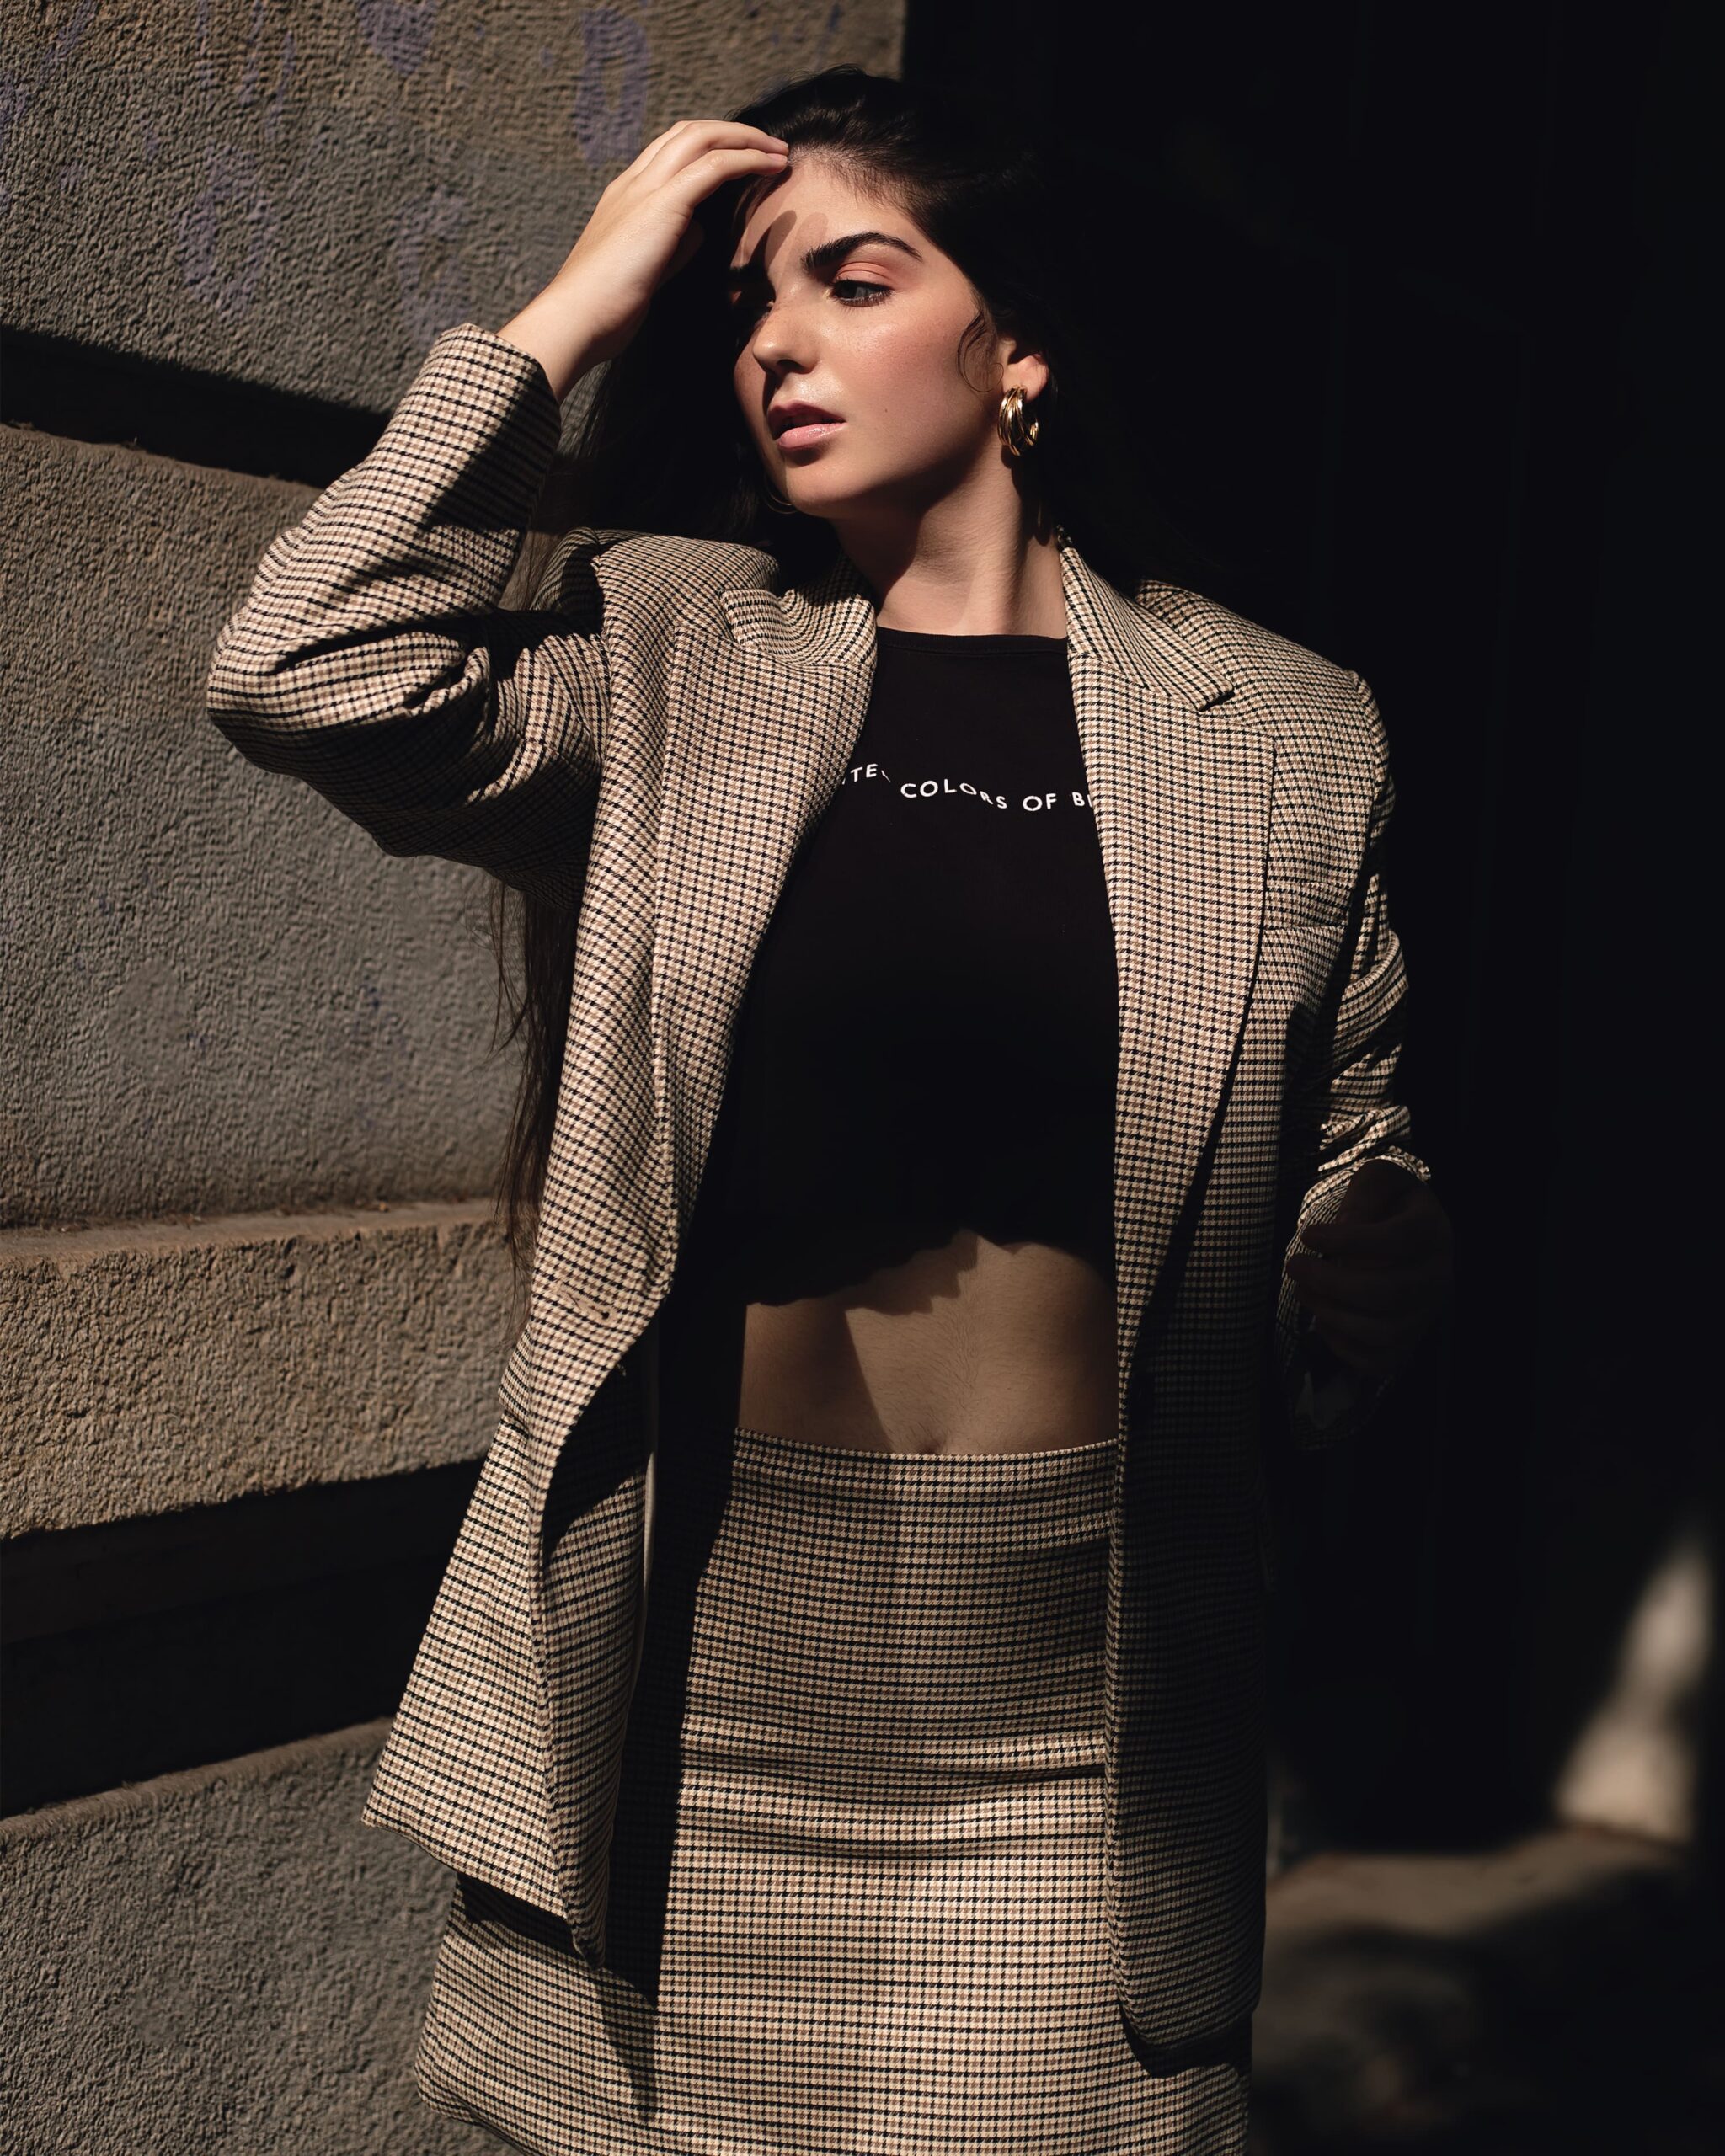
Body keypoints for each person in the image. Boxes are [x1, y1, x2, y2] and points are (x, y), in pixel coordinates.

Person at [206, 63, 1454, 2156]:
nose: (777, 344)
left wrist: (1372, 1263)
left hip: (1071, 1716)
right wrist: (568, 313)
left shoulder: (1282, 731)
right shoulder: (676, 642)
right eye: (743, 308)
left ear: (1015, 345)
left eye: (850, 283)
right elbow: (300, 667)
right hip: (685, 1685)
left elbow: (1347, 1154)